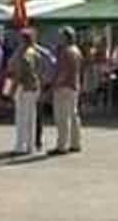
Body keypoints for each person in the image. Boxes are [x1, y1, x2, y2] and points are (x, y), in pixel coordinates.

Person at [49, 27, 83, 155]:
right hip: (74, 85)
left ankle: (61, 145)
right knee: (73, 115)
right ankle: (75, 143)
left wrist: (55, 85)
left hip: (63, 86)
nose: (58, 38)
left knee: (62, 117)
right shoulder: (77, 50)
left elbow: (63, 71)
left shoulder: (65, 51)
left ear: (65, 37)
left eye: (61, 36)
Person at [9, 28, 41, 155]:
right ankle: (30, 145)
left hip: (24, 87)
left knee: (21, 118)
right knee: (31, 117)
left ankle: (20, 146)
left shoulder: (23, 53)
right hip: (34, 86)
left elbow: (20, 72)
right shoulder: (35, 52)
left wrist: (12, 88)